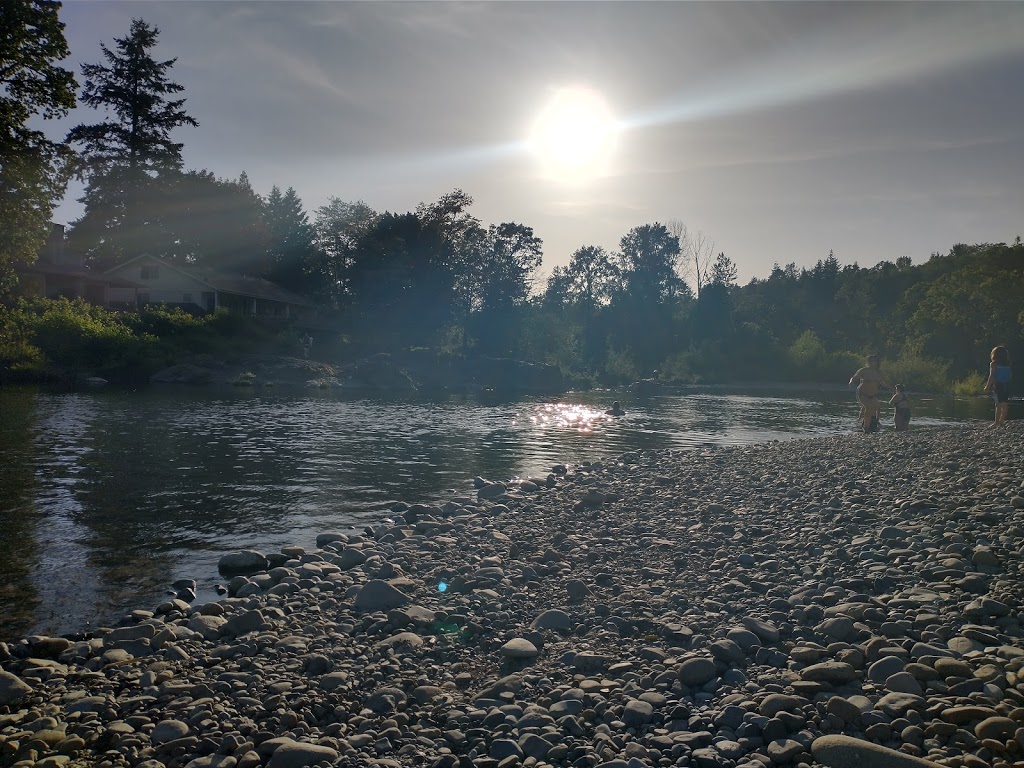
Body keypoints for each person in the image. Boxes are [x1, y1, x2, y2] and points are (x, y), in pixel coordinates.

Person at [849, 354, 889, 433]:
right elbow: (854, 377)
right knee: (868, 407)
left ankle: (871, 424)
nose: (872, 362)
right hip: (862, 393)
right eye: (871, 361)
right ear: (868, 362)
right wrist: (851, 382)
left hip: (873, 394)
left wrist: (891, 388)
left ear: (877, 362)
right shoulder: (863, 370)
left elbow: (883, 383)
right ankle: (865, 427)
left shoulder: (878, 372)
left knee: (875, 408)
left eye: (874, 361)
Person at [983, 345, 1012, 428]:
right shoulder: (1008, 364)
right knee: (1004, 404)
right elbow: (1010, 375)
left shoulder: (993, 364)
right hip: (1006, 385)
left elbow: (991, 376)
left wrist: (987, 386)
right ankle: (1002, 421)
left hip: (998, 386)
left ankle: (996, 423)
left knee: (998, 404)